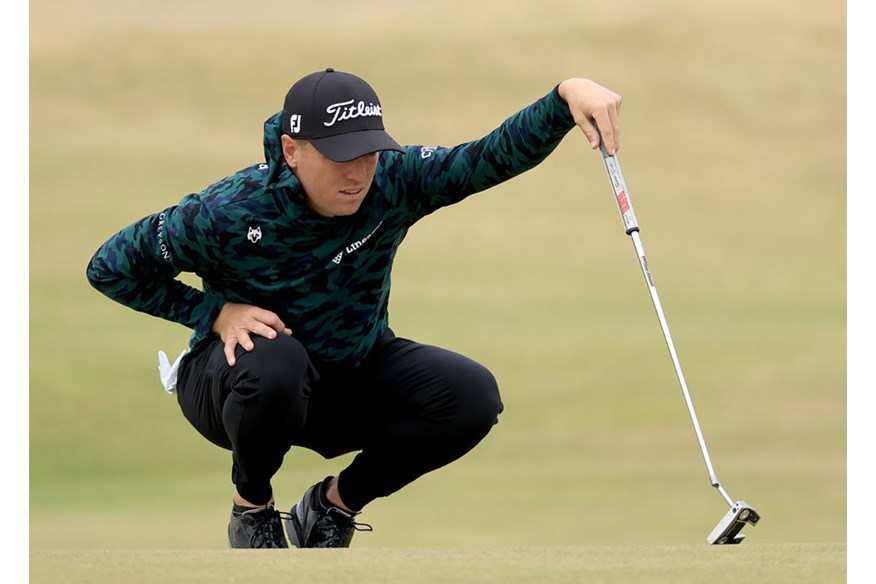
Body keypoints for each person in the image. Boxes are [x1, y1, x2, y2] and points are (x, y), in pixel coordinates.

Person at [86, 68, 622, 549]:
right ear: (292, 151)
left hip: (348, 376)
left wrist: (562, 99)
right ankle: (251, 510)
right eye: (341, 157)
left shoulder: (394, 180)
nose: (359, 173)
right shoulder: (226, 211)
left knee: (472, 396)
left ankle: (330, 508)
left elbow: (486, 158)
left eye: (367, 154)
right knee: (279, 361)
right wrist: (215, 313)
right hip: (235, 385)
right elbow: (109, 266)